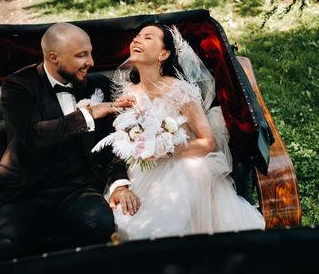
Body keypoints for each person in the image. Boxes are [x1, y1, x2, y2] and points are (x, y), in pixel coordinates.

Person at [0, 22, 140, 263]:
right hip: (23, 193)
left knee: (101, 224)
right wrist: (88, 115)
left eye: (90, 52)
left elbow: (111, 143)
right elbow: (32, 138)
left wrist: (119, 184)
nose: (91, 62)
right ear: (54, 58)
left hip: (77, 190)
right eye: (81, 55)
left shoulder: (97, 86)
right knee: (5, 240)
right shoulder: (19, 85)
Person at [104, 24, 265, 241]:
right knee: (123, 221)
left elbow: (207, 142)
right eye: (137, 36)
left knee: (160, 226)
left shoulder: (178, 90)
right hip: (140, 169)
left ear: (164, 54)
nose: (137, 40)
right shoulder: (128, 91)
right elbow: (123, 140)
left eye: (148, 37)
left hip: (182, 166)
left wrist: (165, 150)